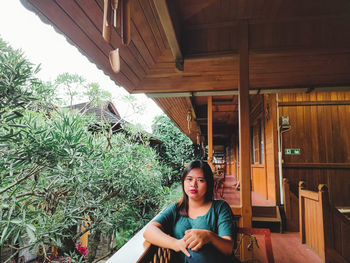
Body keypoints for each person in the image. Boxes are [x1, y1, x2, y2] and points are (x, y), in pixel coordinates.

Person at [143, 160, 239, 263]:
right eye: (189, 179)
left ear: (209, 184)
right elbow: (149, 231)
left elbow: (228, 248)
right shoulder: (175, 209)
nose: (193, 184)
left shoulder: (220, 208)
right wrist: (176, 244)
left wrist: (209, 236)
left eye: (200, 180)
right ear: (183, 182)